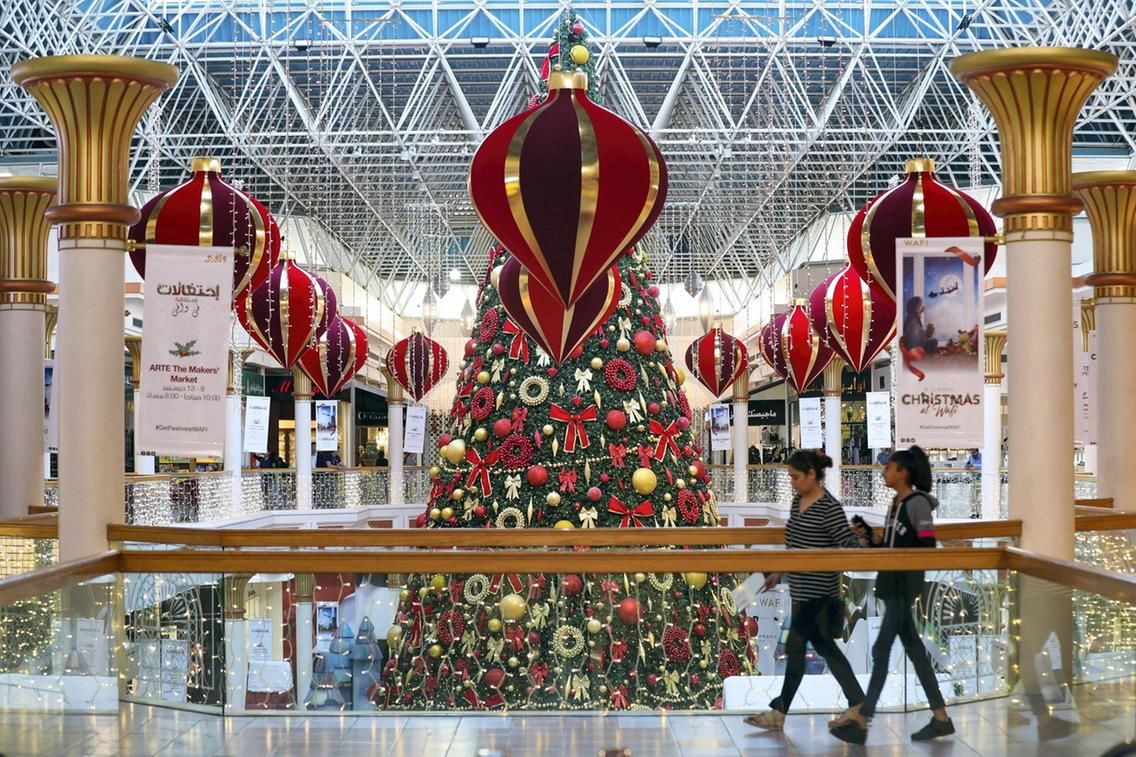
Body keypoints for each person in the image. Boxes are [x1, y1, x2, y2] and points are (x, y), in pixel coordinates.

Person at [831, 445, 954, 745]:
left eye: (889, 468)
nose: (883, 472)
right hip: (893, 583)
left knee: (881, 649)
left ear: (903, 472)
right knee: (915, 650)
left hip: (904, 586)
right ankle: (941, 718)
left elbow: (927, 544)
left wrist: (899, 556)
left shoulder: (916, 504)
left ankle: (862, 720)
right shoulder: (895, 504)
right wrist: (869, 537)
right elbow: (889, 546)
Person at [744, 450, 865, 731]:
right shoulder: (798, 501)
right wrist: (778, 572)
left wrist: (862, 542)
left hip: (821, 594)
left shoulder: (829, 507)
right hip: (801, 592)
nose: (792, 482)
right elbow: (795, 546)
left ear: (812, 474)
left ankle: (782, 711)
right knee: (810, 650)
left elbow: (848, 543)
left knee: (806, 650)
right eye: (790, 477)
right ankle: (854, 704)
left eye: (796, 477)